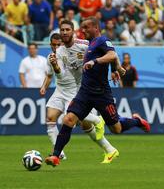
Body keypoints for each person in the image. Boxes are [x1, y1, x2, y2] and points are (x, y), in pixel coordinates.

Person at [45, 17, 150, 167]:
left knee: (116, 128)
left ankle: (137, 121)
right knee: (68, 119)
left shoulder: (100, 40)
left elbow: (112, 55)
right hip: (85, 92)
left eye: (86, 28)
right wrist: (115, 69)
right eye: (82, 28)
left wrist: (109, 66)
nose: (83, 31)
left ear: (95, 27)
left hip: (102, 94)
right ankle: (55, 156)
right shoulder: (68, 49)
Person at [40, 32, 119, 163]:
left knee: (82, 124)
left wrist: (115, 68)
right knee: (50, 117)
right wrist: (44, 87)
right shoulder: (51, 57)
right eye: (53, 45)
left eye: (58, 44)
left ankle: (107, 144)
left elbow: (107, 51)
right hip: (60, 90)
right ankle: (59, 154)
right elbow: (49, 75)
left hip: (75, 89)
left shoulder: (81, 46)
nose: (56, 47)